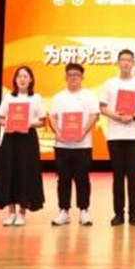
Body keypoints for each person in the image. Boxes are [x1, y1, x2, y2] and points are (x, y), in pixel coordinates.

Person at [100, 49, 135, 226]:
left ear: (133, 63)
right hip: (115, 136)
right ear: (118, 63)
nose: (126, 63)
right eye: (123, 60)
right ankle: (118, 214)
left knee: (133, 176)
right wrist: (116, 116)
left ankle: (134, 214)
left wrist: (134, 116)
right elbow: (103, 107)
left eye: (129, 60)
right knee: (118, 176)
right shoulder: (110, 84)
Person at [0, 66, 46, 226]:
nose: (22, 79)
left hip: (28, 139)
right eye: (19, 76)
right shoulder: (9, 97)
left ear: (31, 79)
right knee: (9, 172)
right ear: (15, 80)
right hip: (10, 139)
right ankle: (11, 213)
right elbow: (0, 118)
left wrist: (28, 123)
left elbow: (43, 121)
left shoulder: (36, 98)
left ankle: (22, 213)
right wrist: (9, 123)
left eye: (25, 76)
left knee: (26, 173)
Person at [49, 63, 100, 226]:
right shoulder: (58, 97)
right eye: (70, 75)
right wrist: (58, 131)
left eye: (76, 75)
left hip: (83, 145)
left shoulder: (89, 95)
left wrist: (83, 132)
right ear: (65, 77)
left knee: (82, 178)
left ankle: (84, 211)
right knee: (63, 179)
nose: (73, 78)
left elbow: (94, 115)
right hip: (62, 145)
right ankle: (64, 211)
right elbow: (52, 116)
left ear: (82, 77)